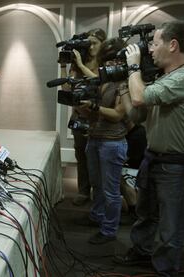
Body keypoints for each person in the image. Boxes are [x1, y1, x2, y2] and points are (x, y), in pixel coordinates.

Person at [115, 21, 184, 276]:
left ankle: (166, 269)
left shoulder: (182, 78)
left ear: (173, 44)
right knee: (145, 214)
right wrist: (125, 83)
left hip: (175, 164)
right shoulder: (163, 78)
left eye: (155, 43)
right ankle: (142, 253)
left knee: (171, 224)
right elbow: (137, 114)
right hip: (153, 157)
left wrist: (134, 67)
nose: (150, 50)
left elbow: (139, 97)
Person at [79, 38, 128, 244]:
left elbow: (118, 114)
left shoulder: (126, 83)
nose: (110, 65)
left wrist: (94, 107)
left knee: (111, 191)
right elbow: (94, 114)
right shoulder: (103, 81)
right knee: (96, 185)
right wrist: (81, 106)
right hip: (95, 138)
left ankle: (109, 230)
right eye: (107, 61)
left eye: (115, 60)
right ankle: (97, 216)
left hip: (112, 142)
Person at [60, 28, 107, 206]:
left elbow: (100, 83)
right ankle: (83, 191)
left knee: (98, 157)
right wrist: (64, 65)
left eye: (94, 43)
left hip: (99, 116)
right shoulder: (80, 61)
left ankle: (99, 192)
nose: (91, 46)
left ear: (103, 43)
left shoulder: (106, 62)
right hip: (79, 116)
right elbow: (66, 89)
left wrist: (80, 65)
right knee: (81, 155)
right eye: (89, 43)